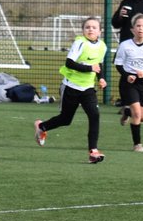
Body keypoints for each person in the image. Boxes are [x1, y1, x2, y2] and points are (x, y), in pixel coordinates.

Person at [34, 16, 108, 164]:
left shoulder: (102, 46)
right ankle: (41, 127)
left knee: (94, 115)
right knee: (66, 119)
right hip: (71, 87)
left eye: (94, 27)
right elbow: (69, 63)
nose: (90, 29)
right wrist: (89, 68)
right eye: (87, 27)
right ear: (83, 30)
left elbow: (98, 64)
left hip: (87, 88)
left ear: (100, 31)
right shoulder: (80, 43)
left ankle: (93, 151)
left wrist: (101, 77)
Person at [114, 14, 143, 153]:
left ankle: (126, 111)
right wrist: (127, 75)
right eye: (138, 26)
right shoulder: (124, 45)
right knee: (138, 115)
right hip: (128, 83)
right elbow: (118, 64)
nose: (141, 28)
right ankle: (137, 144)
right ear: (132, 29)